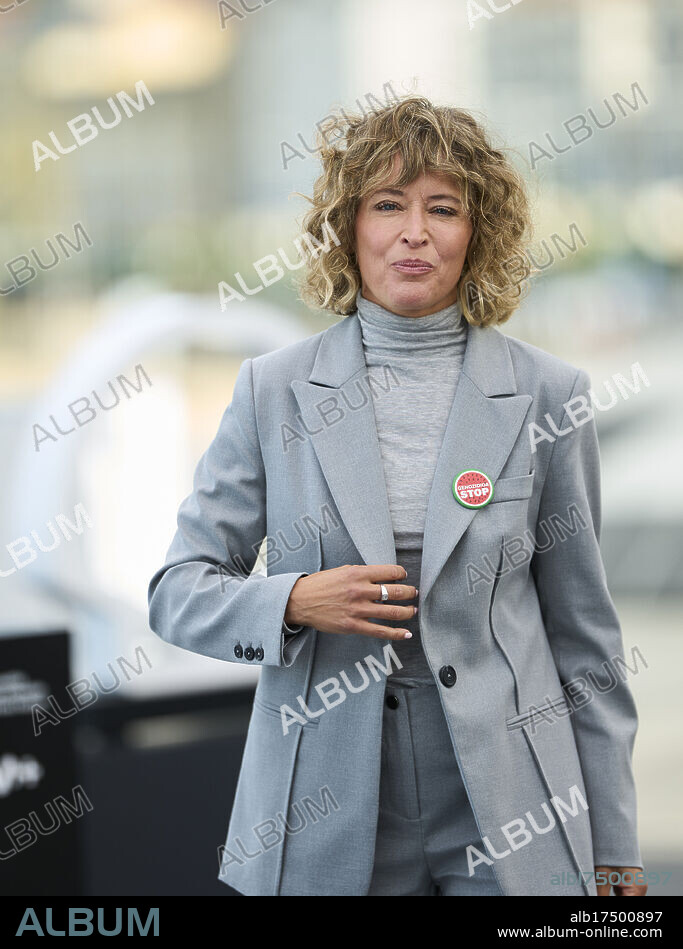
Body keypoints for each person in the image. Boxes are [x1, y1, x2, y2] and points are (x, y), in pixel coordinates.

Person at [148, 96, 644, 897]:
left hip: (512, 808)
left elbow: (585, 643)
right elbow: (176, 592)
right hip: (322, 810)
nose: (415, 231)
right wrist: (293, 599)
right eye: (388, 204)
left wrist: (614, 842)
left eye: (442, 208)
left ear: (477, 233)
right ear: (347, 228)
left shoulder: (550, 395)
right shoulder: (270, 390)